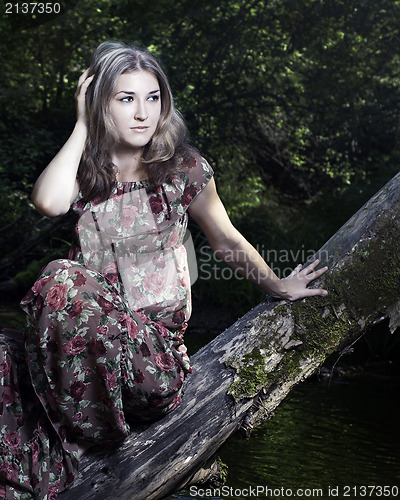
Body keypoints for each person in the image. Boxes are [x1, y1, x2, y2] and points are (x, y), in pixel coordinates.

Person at [0, 40, 328, 498]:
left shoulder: (183, 169)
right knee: (2, 353)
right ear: (101, 105)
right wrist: (81, 123)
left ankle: (92, 440)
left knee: (61, 275)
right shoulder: (88, 171)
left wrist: (278, 285)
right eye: (126, 98)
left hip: (150, 364)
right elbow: (48, 202)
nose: (143, 113)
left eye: (152, 98)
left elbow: (226, 239)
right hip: (89, 357)